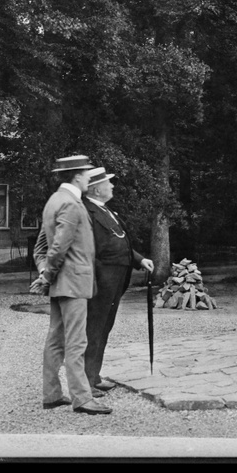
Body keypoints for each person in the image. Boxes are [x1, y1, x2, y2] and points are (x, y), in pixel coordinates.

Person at [32, 154, 109, 414]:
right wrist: (47, 276)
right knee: (77, 342)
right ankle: (82, 399)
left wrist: (45, 274)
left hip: (62, 284)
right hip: (73, 283)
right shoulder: (73, 204)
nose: (90, 177)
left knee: (55, 340)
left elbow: (41, 247)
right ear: (77, 176)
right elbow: (57, 248)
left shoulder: (54, 201)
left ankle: (52, 394)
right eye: (88, 173)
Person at [81, 168, 154, 396]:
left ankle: (94, 376)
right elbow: (87, 250)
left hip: (114, 281)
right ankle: (84, 383)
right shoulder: (87, 211)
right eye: (108, 183)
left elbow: (119, 244)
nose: (112, 187)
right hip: (100, 281)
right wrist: (92, 280)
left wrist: (140, 259)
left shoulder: (106, 211)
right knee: (93, 329)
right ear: (96, 188)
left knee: (104, 327)